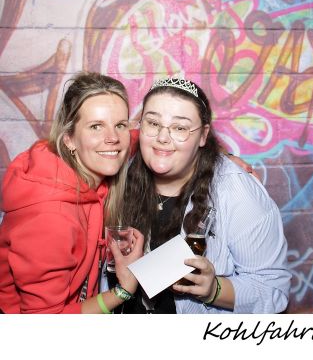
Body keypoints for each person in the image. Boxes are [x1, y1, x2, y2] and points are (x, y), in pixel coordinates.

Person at [118, 77, 291, 314]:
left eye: (180, 128)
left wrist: (214, 290)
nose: (162, 137)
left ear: (203, 135)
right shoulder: (119, 175)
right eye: (153, 123)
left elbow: (273, 290)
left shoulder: (235, 191)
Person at [0, 72, 144, 313]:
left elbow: (131, 140)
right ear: (69, 139)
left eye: (120, 125)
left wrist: (168, 137)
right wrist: (122, 291)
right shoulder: (51, 219)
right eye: (96, 126)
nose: (113, 138)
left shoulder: (83, 161)